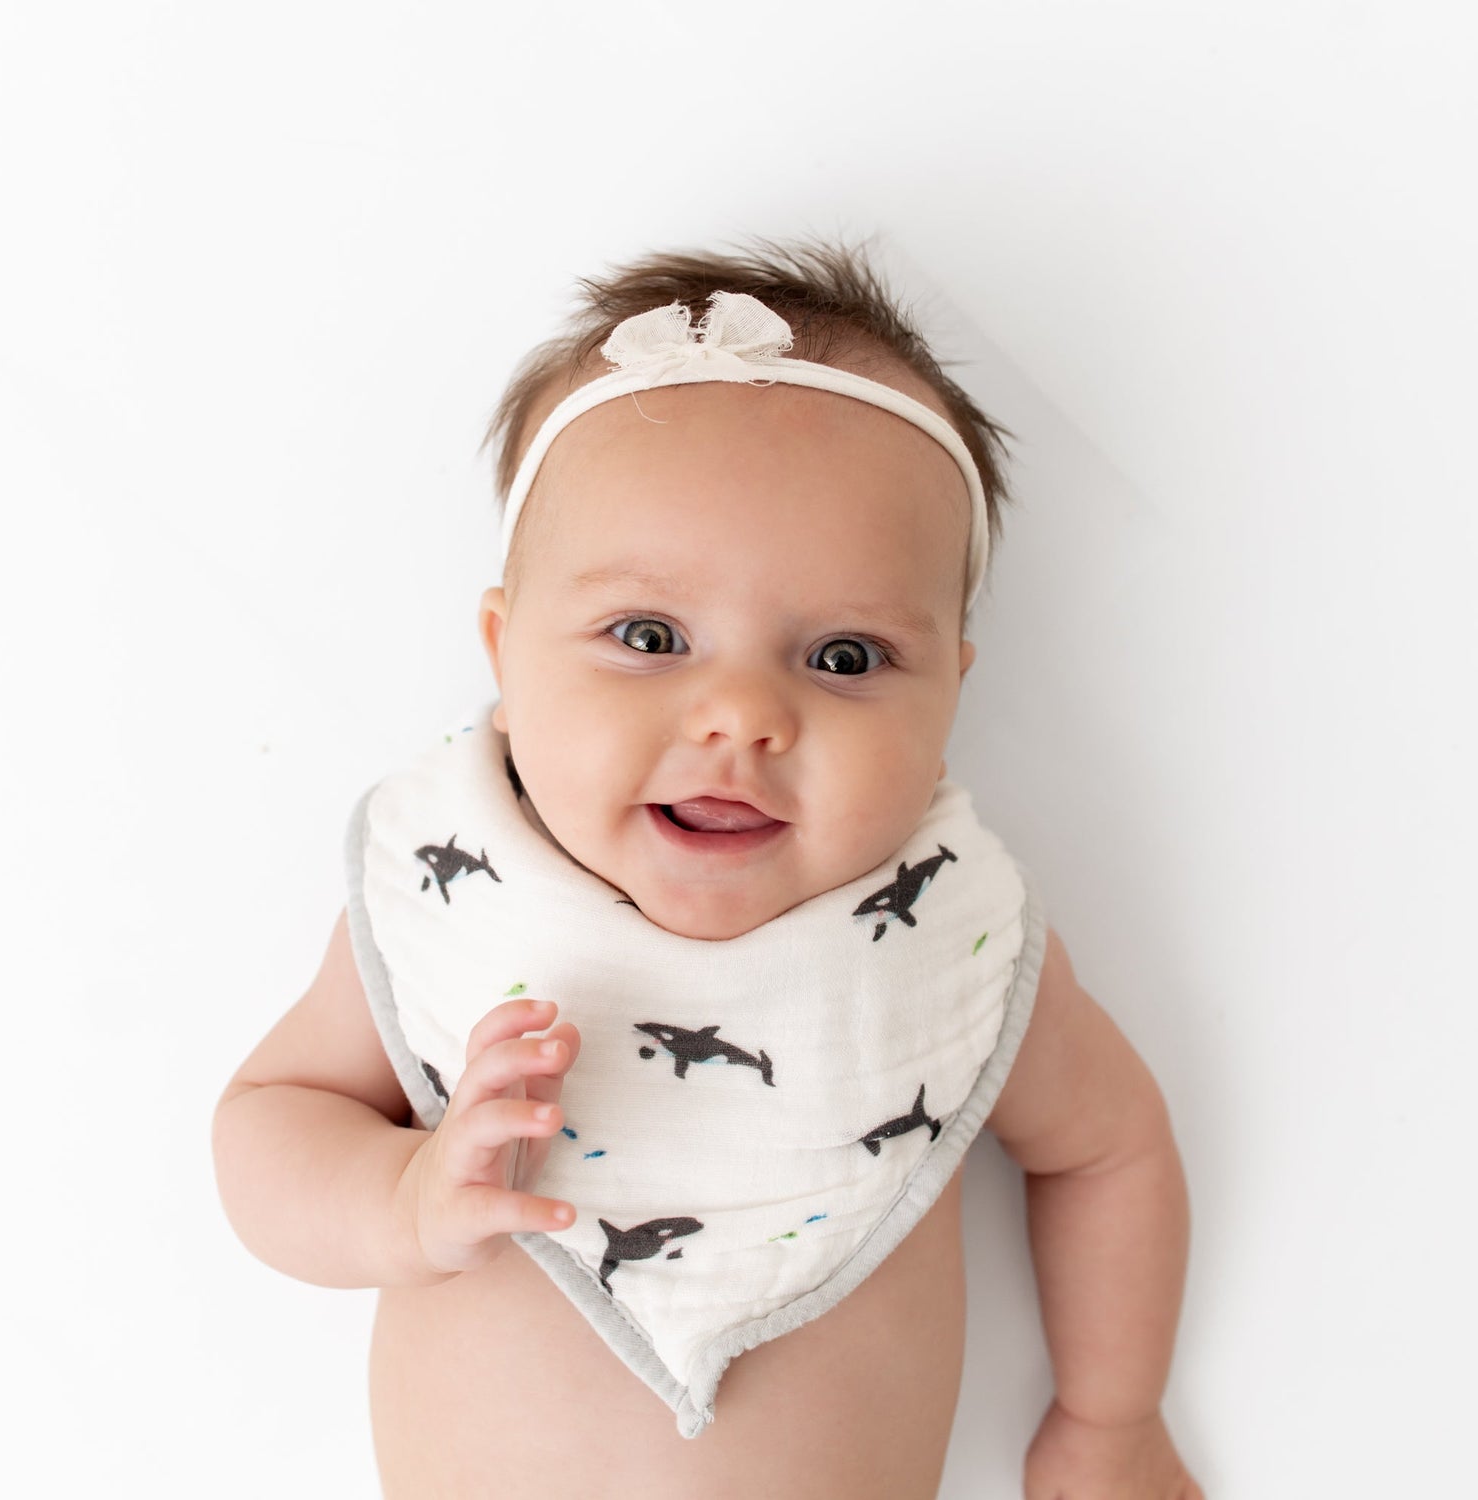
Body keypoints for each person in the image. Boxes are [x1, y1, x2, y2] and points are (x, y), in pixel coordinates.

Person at [212, 238, 1203, 1499]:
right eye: (649, 635)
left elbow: (1107, 1151)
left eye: (844, 658)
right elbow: (267, 1122)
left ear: (952, 688)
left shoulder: (954, 934)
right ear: (506, 654)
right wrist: (402, 1199)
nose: (742, 717)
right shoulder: (462, 893)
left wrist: (1111, 1417)